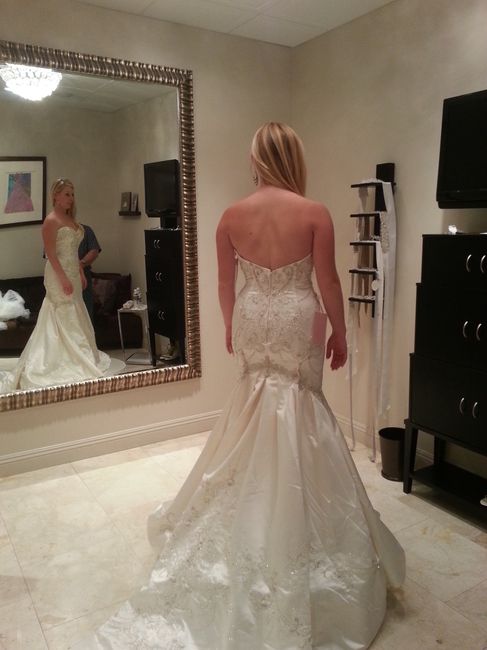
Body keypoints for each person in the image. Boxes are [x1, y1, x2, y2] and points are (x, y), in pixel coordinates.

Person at [82, 124, 405, 649]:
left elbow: (225, 284)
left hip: (253, 314)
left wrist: (232, 324)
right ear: (293, 158)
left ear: (256, 161)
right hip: (299, 316)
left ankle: (248, 507)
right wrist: (340, 332)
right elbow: (327, 281)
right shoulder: (315, 212)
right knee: (302, 402)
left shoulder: (231, 216)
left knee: (254, 400)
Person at [0, 179, 111, 392]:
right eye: (67, 194)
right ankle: (55, 361)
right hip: (58, 274)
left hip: (73, 272)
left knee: (75, 310)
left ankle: (78, 355)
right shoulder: (51, 220)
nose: (71, 198)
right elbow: (50, 254)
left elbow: (74, 252)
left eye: (72, 194)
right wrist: (63, 278)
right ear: (56, 196)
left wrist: (80, 271)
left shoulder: (70, 220)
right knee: (60, 311)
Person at [78, 223, 101, 322]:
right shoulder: (54, 230)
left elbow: (94, 251)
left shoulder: (85, 230)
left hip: (83, 276)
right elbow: (49, 255)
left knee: (85, 313)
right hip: (60, 277)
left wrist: (80, 264)